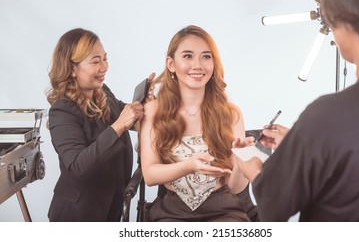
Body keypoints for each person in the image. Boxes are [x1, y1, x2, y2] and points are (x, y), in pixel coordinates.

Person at [237, 0, 359, 221]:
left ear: (346, 21)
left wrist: (255, 171)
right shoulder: (323, 125)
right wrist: (300, 146)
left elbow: (275, 205)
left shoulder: (326, 117)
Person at [140, 25, 256, 221]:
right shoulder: (153, 110)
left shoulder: (231, 113)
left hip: (224, 209)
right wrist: (189, 166)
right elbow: (150, 175)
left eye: (206, 56)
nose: (198, 65)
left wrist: (242, 161)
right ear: (171, 63)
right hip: (172, 211)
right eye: (187, 56)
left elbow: (236, 187)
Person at [46, 28, 153, 221]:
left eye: (105, 58)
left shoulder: (103, 93)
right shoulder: (61, 110)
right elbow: (78, 167)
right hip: (77, 216)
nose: (105, 67)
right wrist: (120, 125)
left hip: (110, 208)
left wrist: (146, 104)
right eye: (96, 61)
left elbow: (132, 119)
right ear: (72, 68)